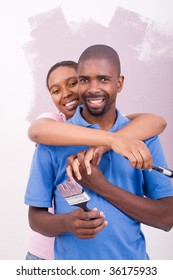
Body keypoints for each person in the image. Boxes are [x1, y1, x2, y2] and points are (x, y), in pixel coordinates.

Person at [25, 47, 173, 260]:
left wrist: (101, 186)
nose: (93, 89)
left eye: (103, 79)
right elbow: (35, 218)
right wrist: (66, 223)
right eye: (84, 80)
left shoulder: (143, 136)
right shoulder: (52, 141)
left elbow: (166, 218)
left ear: (119, 83)